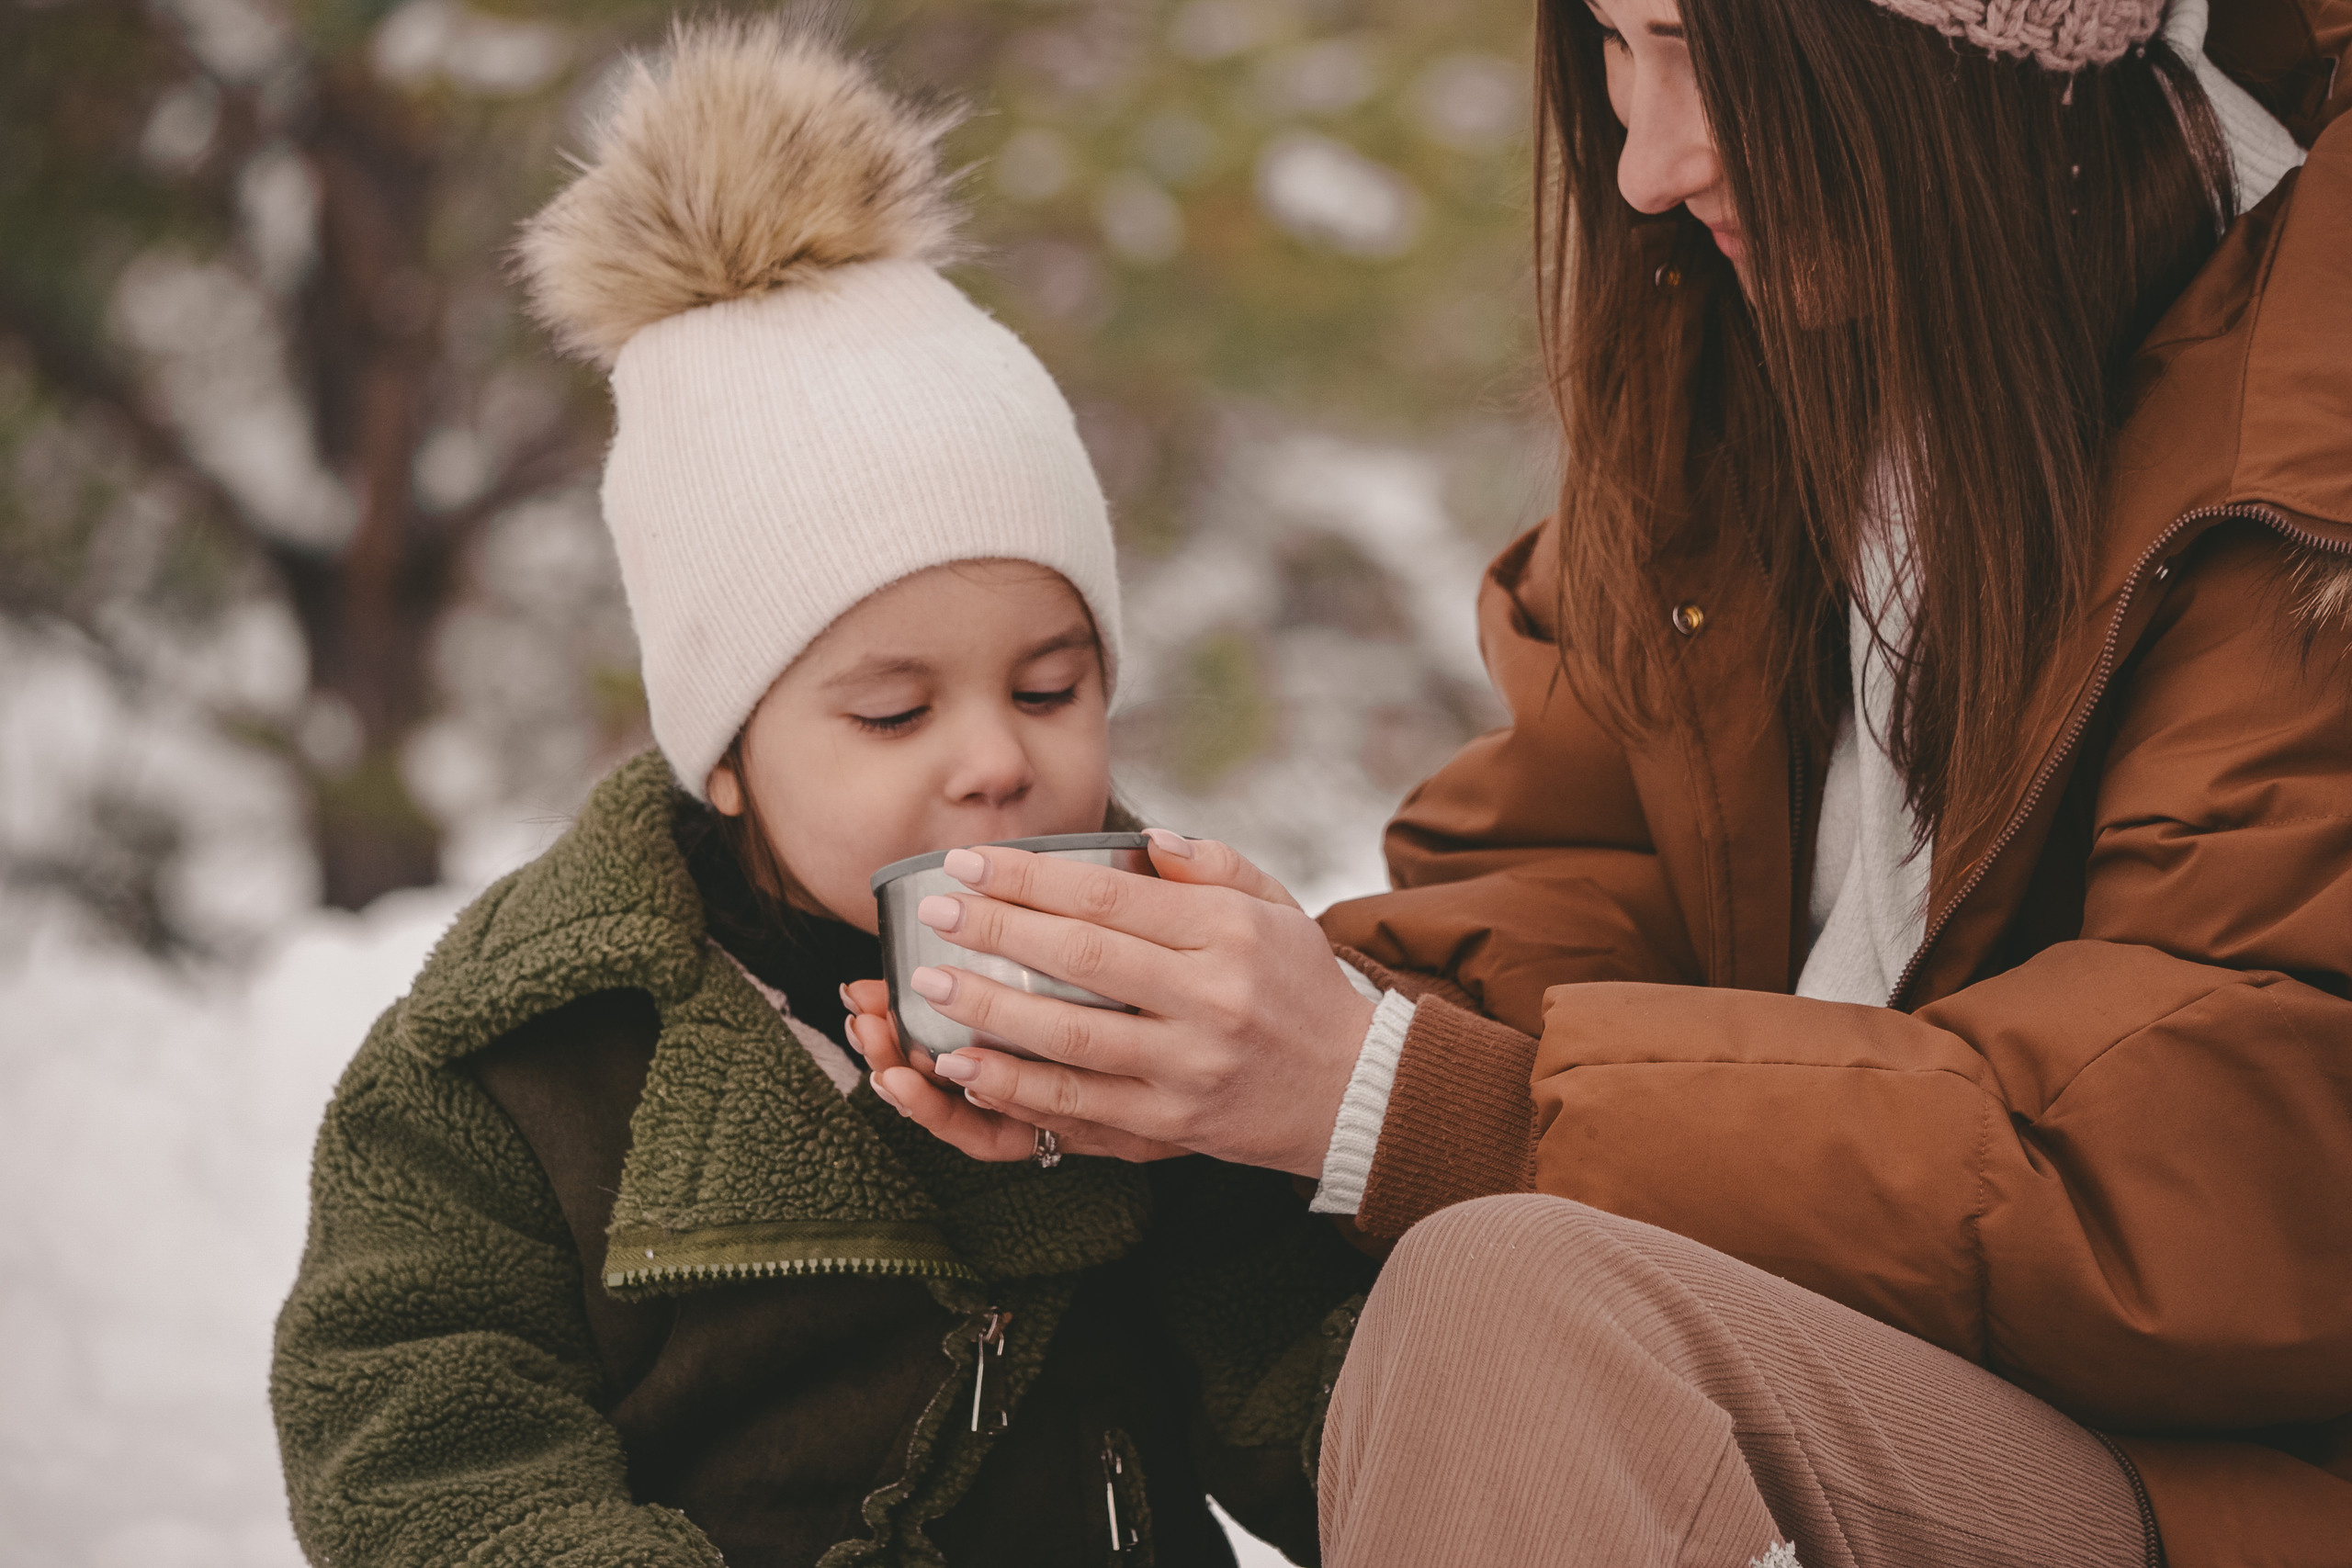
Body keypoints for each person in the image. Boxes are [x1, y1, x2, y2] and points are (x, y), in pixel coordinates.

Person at [855, 0, 2352, 1563]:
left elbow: (2231, 1166)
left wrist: (1404, 1095)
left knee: (1510, 1319)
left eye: (1703, 50)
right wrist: (1195, 1055)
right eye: (1612, 45)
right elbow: (1576, 881)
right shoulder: (1756, 374)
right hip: (1896, 1372)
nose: (1645, 161)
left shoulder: (2310, 425)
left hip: (2233, 1479)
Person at [267, 22, 1371, 1568]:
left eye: (1051, 687)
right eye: (895, 708)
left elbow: (1319, 1400)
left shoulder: (1168, 998)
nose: (994, 755)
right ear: (724, 748)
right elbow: (426, 1449)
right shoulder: (517, 1061)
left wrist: (1282, 1125)